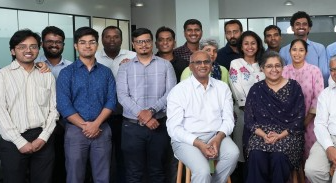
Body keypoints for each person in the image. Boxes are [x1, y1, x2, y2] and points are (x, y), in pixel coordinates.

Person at [0, 29, 58, 183]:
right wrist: (20, 142)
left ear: (38, 49)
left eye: (33, 46)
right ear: (13, 51)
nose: (28, 50)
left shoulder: (46, 74)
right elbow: (0, 113)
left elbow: (54, 110)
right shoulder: (0, 77)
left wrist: (44, 137)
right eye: (22, 47)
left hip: (43, 138)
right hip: (13, 141)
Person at [166, 51, 239, 183]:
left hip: (216, 135)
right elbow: (173, 129)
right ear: (190, 66)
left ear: (211, 65)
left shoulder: (222, 88)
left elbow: (229, 119)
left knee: (233, 154)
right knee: (202, 171)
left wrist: (218, 138)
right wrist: (198, 143)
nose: (203, 65)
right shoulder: (178, 90)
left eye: (206, 62)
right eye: (198, 62)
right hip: (187, 140)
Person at [56, 27, 117, 183]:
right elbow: (64, 104)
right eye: (82, 42)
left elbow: (111, 100)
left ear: (97, 45)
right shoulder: (67, 73)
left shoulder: (106, 72)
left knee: (103, 176)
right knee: (74, 176)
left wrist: (96, 124)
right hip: (75, 131)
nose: (87, 46)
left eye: (92, 42)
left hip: (102, 129)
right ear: (76, 46)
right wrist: (85, 126)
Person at [116, 28, 177, 183]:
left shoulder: (165, 65)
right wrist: (143, 115)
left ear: (152, 43)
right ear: (133, 44)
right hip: (132, 128)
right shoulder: (124, 67)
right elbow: (122, 95)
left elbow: (171, 93)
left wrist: (151, 111)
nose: (143, 45)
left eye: (147, 41)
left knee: (157, 171)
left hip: (159, 125)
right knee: (133, 173)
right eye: (139, 42)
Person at [243, 51, 305, 183]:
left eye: (277, 65)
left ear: (283, 67)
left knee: (279, 156)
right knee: (256, 154)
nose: (274, 69)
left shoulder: (294, 87)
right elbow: (249, 120)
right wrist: (264, 135)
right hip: (261, 135)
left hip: (288, 134)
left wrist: (279, 135)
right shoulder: (256, 89)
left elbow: (299, 118)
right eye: (269, 66)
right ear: (262, 68)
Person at [96, 25, 135, 182]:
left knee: (124, 153)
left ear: (122, 39)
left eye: (116, 36)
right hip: (100, 115)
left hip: (125, 114)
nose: (112, 40)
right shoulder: (95, 57)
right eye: (107, 36)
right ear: (102, 39)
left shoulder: (133, 56)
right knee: (101, 155)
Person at [228, 31, 266, 182]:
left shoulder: (264, 64)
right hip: (243, 113)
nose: (250, 47)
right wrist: (251, 109)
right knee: (242, 150)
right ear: (241, 47)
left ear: (258, 45)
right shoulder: (236, 64)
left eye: (253, 43)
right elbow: (236, 88)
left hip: (265, 115)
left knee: (261, 150)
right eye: (246, 43)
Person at [37, 25, 72, 183]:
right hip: (41, 124)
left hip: (68, 123)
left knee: (65, 164)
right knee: (43, 168)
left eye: (58, 42)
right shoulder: (33, 65)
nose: (54, 45)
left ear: (63, 45)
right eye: (49, 41)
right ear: (42, 43)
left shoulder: (72, 66)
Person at [283, 39, 324, 161]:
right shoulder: (283, 71)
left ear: (306, 53)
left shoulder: (314, 70)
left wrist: (304, 123)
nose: (297, 53)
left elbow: (318, 98)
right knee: (288, 158)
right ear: (289, 52)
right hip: (287, 124)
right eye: (294, 49)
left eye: (301, 50)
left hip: (310, 122)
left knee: (310, 157)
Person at [280, 11, 329, 86]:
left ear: (309, 28)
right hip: (291, 93)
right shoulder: (284, 51)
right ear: (292, 28)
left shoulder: (319, 48)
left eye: (304, 24)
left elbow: (324, 73)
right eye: (297, 24)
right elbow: (281, 75)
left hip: (315, 92)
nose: (301, 27)